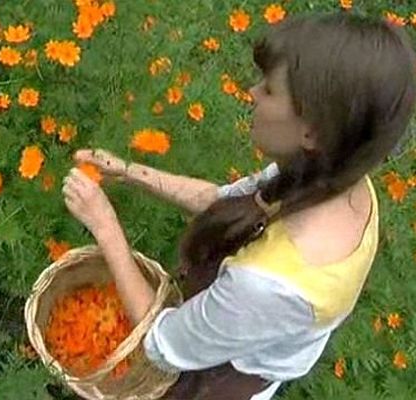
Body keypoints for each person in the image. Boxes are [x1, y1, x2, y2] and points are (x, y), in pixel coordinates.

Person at [61, 12, 416, 400]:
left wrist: (105, 223)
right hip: (249, 332)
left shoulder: (268, 284)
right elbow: (221, 200)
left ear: (311, 130)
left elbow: (160, 345)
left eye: (270, 89)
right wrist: (130, 172)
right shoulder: (339, 180)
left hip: (223, 381)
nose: (252, 92)